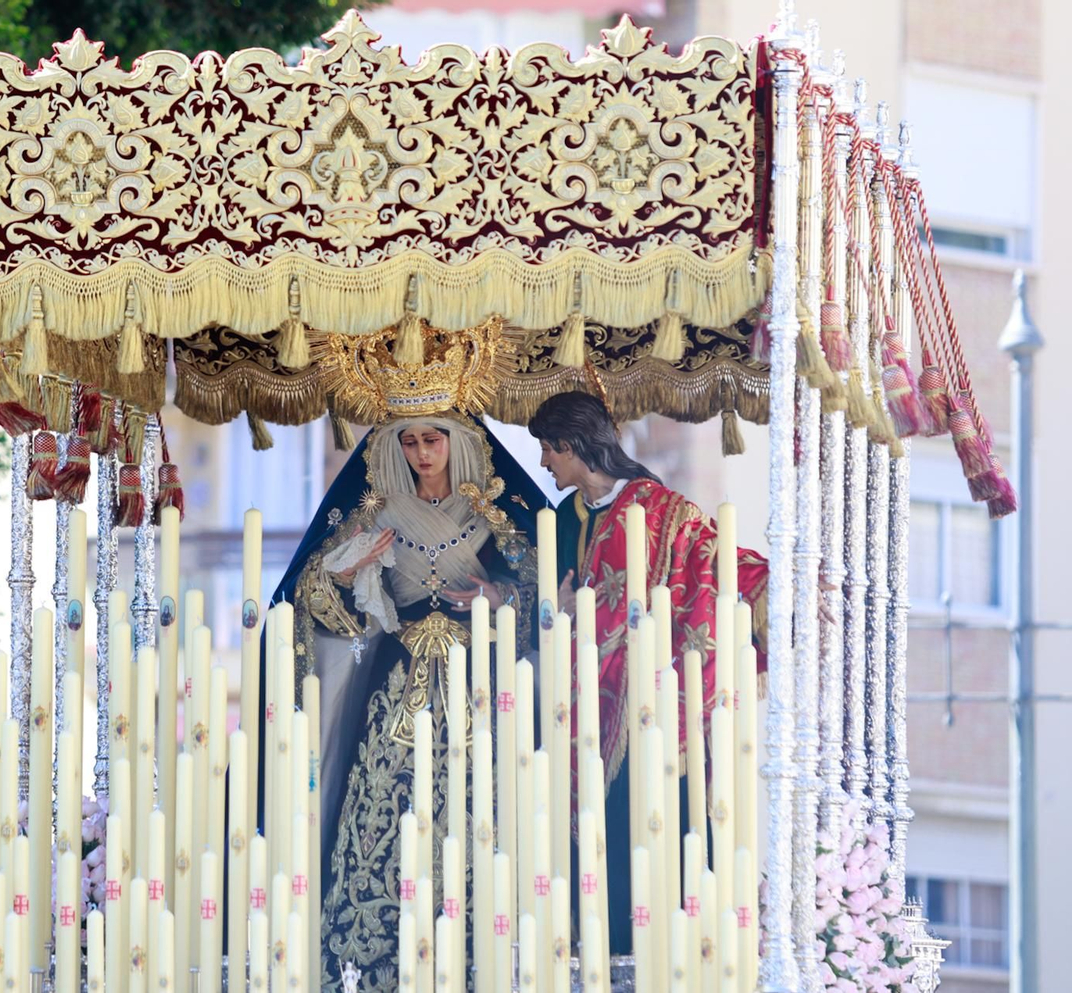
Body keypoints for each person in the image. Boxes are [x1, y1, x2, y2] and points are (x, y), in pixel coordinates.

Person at [269, 408, 551, 991]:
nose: (423, 453)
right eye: (412, 442)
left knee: (482, 809)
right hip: (393, 696)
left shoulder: (494, 516)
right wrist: (350, 573)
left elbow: (546, 599)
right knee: (379, 805)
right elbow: (313, 594)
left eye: (434, 440)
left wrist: (498, 596)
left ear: (459, 442)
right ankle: (371, 955)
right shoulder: (375, 514)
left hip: (476, 692)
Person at [526, 389, 769, 955]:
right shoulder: (560, 520)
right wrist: (552, 612)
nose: (543, 464)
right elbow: (539, 599)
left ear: (571, 446)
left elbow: (719, 558)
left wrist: (776, 591)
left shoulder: (663, 509)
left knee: (659, 834)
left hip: (653, 713)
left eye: (548, 451)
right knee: (596, 850)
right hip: (582, 710)